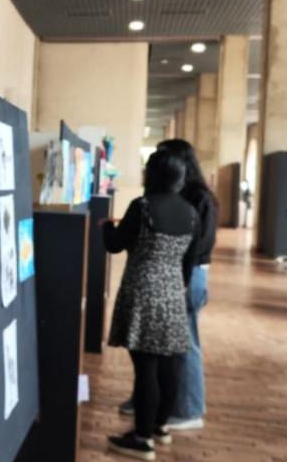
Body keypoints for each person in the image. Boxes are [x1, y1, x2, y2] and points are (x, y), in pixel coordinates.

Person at [104, 150, 200, 460]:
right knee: (168, 364)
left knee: (145, 367)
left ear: (154, 174)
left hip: (143, 291)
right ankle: (160, 427)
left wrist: (106, 226)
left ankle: (142, 438)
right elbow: (190, 262)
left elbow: (115, 244)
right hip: (173, 293)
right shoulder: (190, 213)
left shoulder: (142, 207)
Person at [118, 140, 217, 432]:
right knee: (157, 351)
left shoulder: (198, 198)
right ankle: (150, 408)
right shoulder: (171, 197)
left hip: (186, 275)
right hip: (174, 276)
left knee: (179, 350)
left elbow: (198, 246)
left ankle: (186, 410)